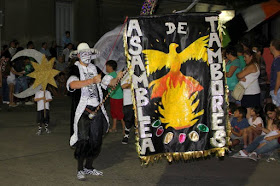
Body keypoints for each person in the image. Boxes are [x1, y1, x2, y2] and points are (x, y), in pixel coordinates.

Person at [66, 42, 123, 180]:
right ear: (78, 55)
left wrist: (118, 77)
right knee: (83, 140)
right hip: (83, 111)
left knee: (96, 140)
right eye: (83, 54)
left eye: (88, 54)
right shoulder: (74, 69)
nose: (86, 56)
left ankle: (89, 167)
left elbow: (109, 82)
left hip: (97, 110)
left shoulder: (95, 68)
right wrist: (91, 80)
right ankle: (80, 169)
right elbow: (72, 84)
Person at [237, 50, 261, 118]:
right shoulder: (252, 65)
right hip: (249, 92)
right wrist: (239, 76)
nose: (244, 59)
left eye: (245, 57)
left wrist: (239, 76)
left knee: (249, 113)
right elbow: (239, 76)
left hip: (250, 93)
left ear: (251, 57)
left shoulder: (252, 66)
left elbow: (239, 75)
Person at [105, 60, 125, 133]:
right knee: (113, 112)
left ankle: (125, 128)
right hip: (113, 96)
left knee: (119, 113)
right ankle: (114, 127)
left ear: (110, 67)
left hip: (117, 96)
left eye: (106, 66)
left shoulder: (113, 75)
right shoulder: (111, 75)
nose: (106, 68)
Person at [121, 70, 135, 144]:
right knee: (128, 119)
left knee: (137, 119)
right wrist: (133, 84)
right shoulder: (125, 73)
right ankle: (126, 135)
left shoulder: (140, 71)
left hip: (139, 100)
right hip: (128, 101)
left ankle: (138, 134)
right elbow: (123, 86)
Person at [269, 39, 280, 108]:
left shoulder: (277, 60)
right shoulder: (276, 59)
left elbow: (279, 76)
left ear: (273, 47)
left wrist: (275, 90)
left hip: (277, 90)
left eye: (270, 45)